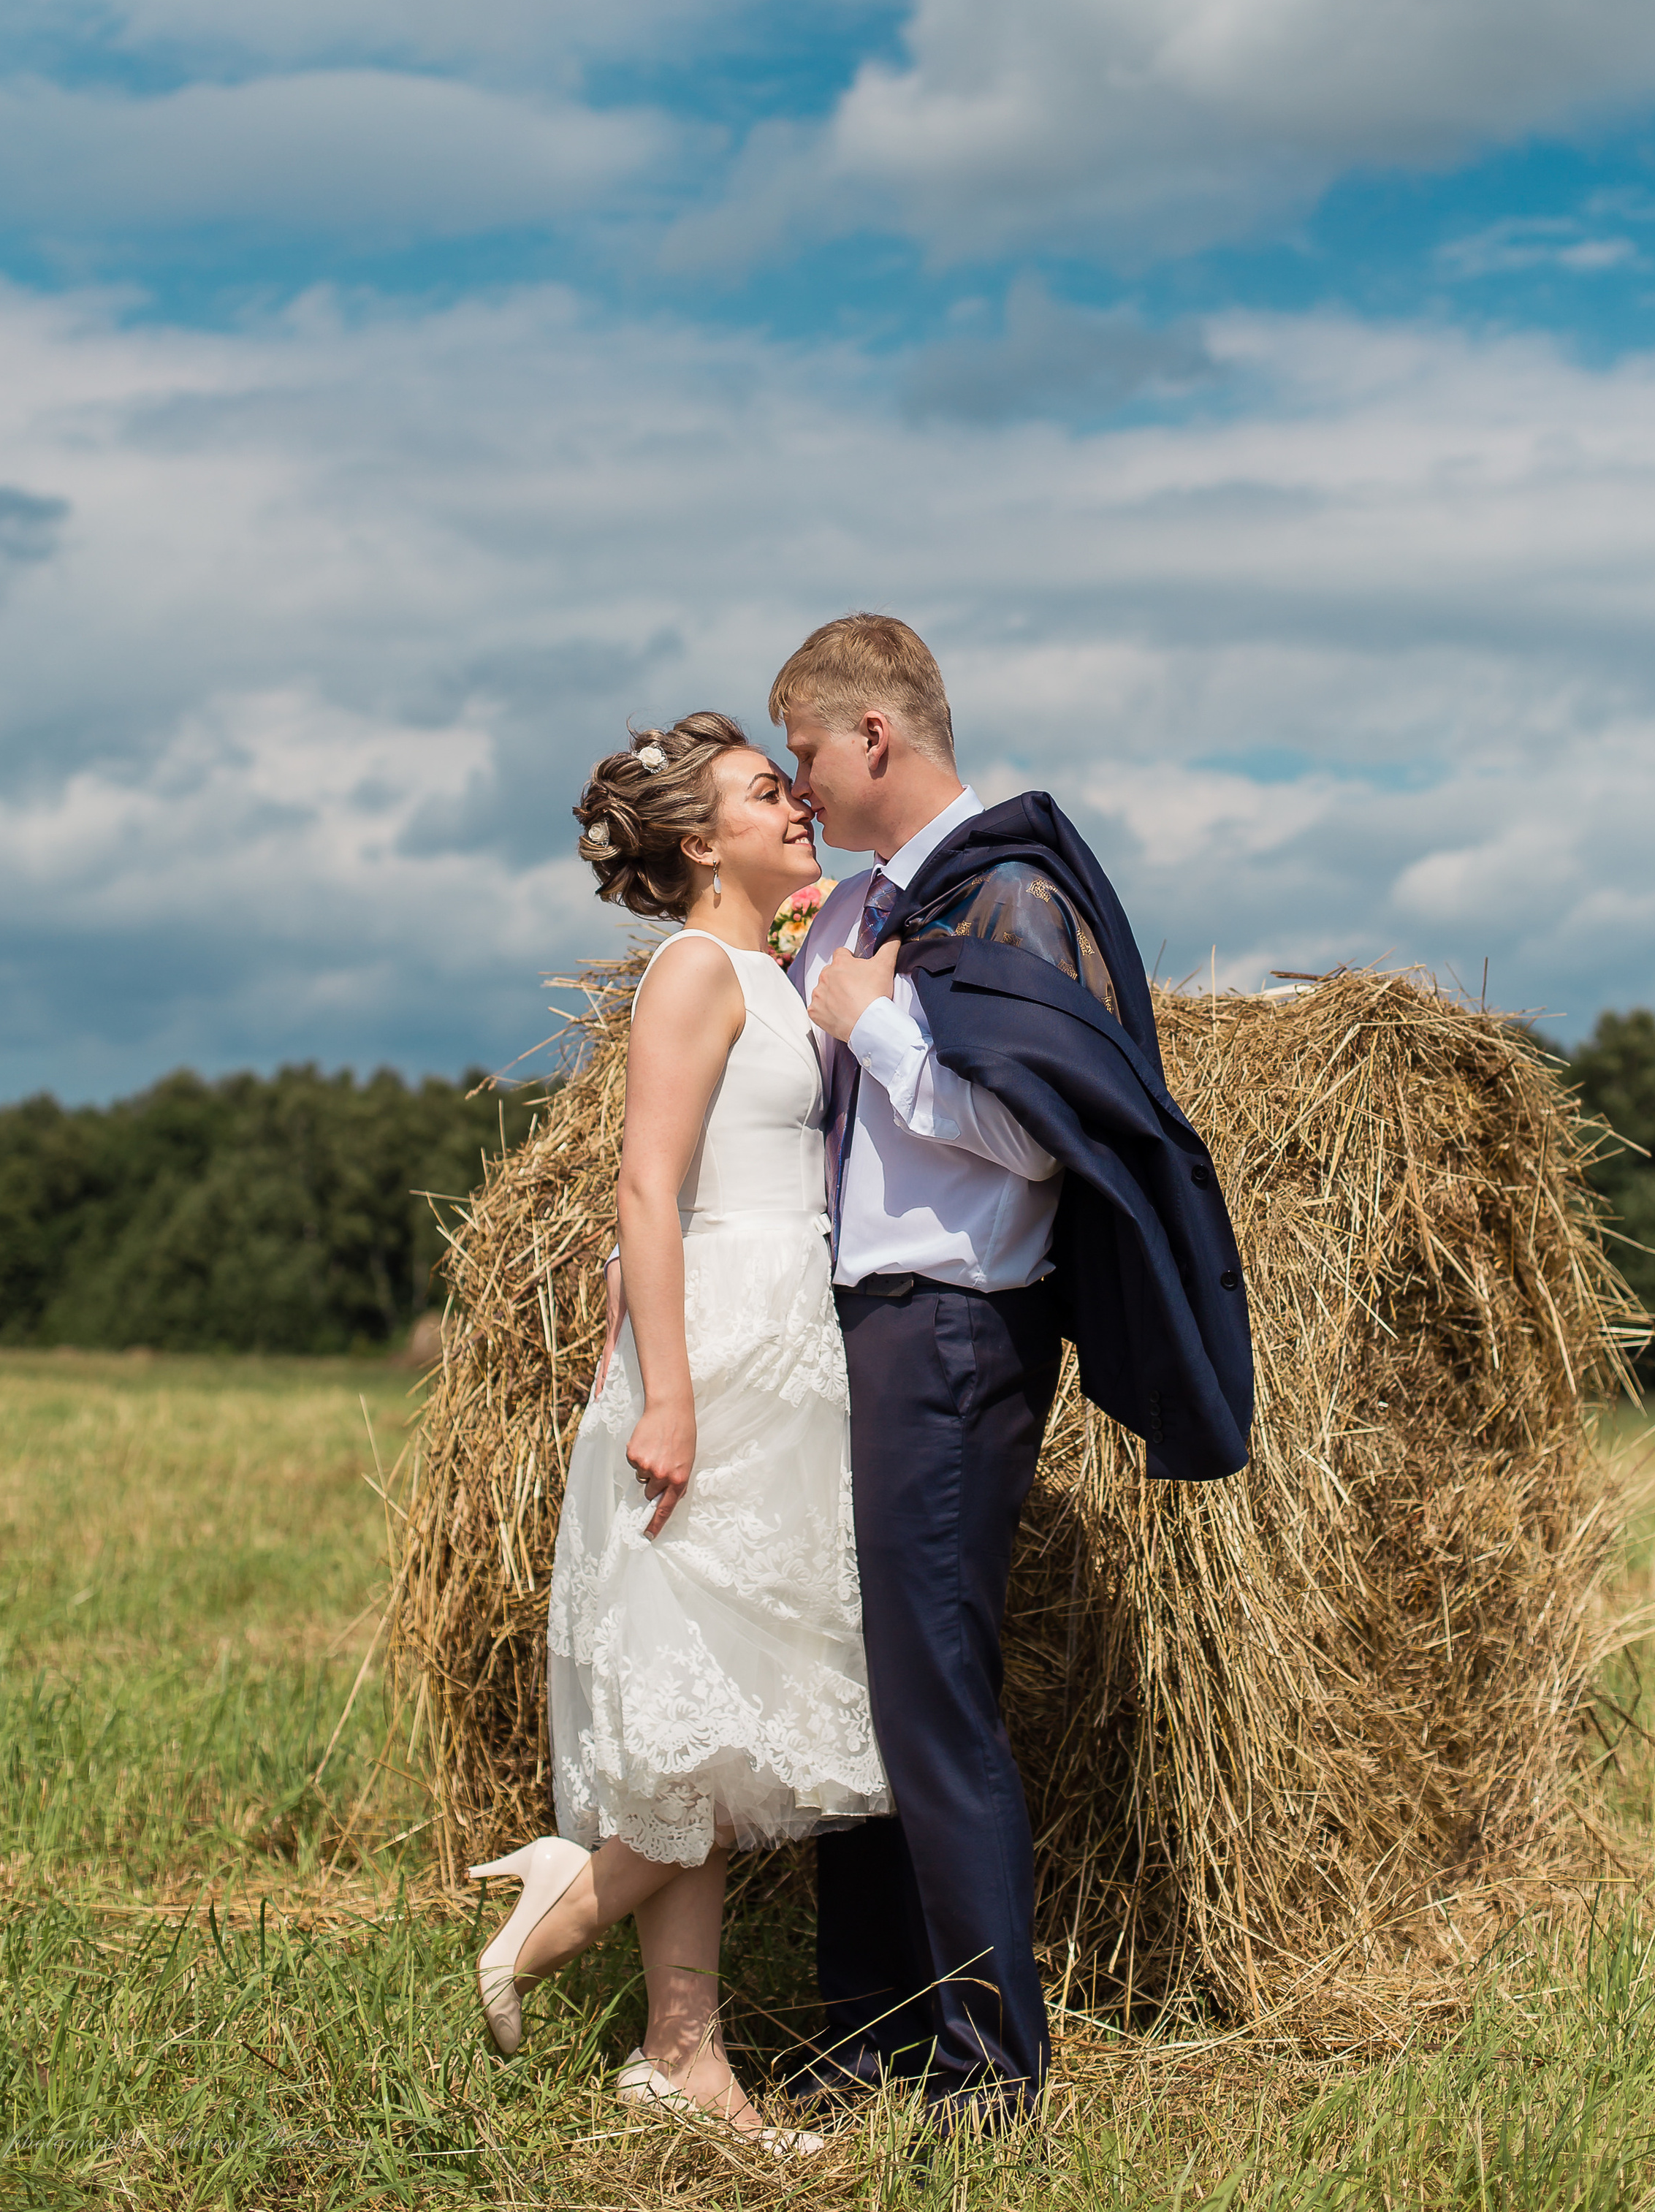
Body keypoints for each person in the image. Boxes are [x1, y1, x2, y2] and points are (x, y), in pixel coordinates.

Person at [775, 614, 1251, 2131]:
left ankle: (989, 2073)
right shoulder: (874, 903)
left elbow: (1043, 1142)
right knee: (863, 1691)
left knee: (933, 1697)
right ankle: (871, 2034)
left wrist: (879, 1034)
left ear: (873, 740)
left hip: (953, 1330)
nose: (797, 786)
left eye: (806, 754)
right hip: (866, 1324)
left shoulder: (1009, 899)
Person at [465, 711, 889, 2156]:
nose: (799, 809)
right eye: (770, 795)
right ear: (701, 840)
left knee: (726, 1727)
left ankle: (682, 2056)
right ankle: (554, 1915)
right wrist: (662, 1394)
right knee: (721, 1723)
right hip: (715, 1357)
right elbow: (646, 1192)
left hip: (780, 1352)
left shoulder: (769, 973)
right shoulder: (694, 971)